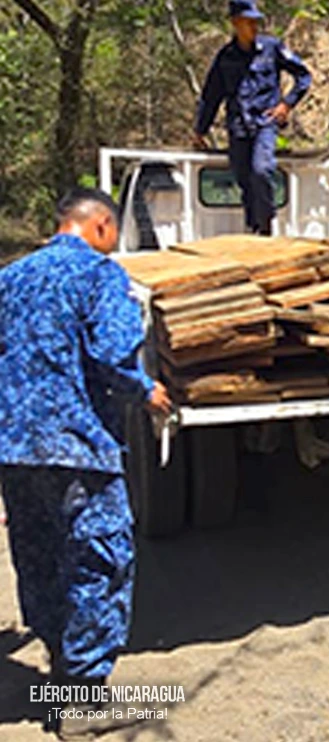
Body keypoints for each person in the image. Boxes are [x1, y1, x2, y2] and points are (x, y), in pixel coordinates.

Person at [0, 190, 172, 725]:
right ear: (100, 226)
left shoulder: (9, 278)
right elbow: (112, 355)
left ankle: (59, 670)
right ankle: (81, 701)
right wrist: (147, 389)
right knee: (100, 560)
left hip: (16, 450)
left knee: (40, 556)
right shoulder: (100, 275)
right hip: (79, 447)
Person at [193, 0, 313, 236]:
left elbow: (303, 76)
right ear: (236, 23)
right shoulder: (225, 58)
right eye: (249, 22)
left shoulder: (272, 48)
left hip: (265, 123)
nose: (255, 26)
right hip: (238, 126)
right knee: (243, 177)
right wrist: (200, 130)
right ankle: (254, 225)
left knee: (261, 169)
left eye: (256, 21)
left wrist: (286, 104)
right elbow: (211, 96)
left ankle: (265, 225)